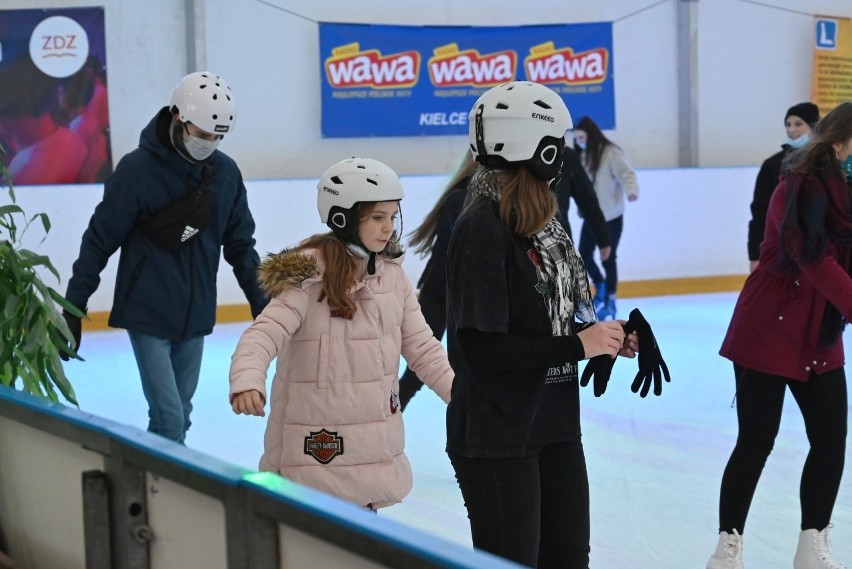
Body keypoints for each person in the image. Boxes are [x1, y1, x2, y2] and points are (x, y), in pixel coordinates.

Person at [445, 80, 641, 569]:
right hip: (497, 434)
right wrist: (578, 346)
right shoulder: (482, 228)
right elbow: (477, 352)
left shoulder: (542, 224)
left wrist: (607, 339)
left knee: (569, 558)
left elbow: (554, 326)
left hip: (552, 422)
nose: (564, 155)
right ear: (536, 148)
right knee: (514, 561)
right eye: (557, 143)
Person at [229, 157, 454, 511]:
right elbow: (263, 334)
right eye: (377, 218)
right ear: (342, 218)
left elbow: (423, 349)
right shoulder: (309, 279)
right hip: (316, 452)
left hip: (372, 450)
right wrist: (247, 380)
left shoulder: (392, 278)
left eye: (392, 218)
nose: (388, 228)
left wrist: (462, 395)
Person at [62, 71, 268, 444]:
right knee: (169, 419)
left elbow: (241, 246)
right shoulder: (138, 170)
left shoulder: (225, 174)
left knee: (180, 419)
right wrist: (73, 308)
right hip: (148, 313)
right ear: (178, 117)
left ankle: (158, 490)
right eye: (203, 133)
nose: (210, 143)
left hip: (196, 315)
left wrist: (262, 304)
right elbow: (98, 241)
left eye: (218, 137)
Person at [707, 102, 852, 569]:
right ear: (839, 143)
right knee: (756, 440)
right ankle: (728, 546)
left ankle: (812, 544)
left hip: (819, 332)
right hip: (768, 327)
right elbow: (811, 259)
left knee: (830, 438)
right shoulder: (796, 187)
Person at [397, 151, 476, 411]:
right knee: (422, 364)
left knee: (462, 365)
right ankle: (389, 412)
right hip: (444, 291)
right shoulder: (462, 199)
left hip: (458, 293)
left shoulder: (474, 198)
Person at [573, 116, 639, 321]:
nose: (579, 142)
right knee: (584, 253)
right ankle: (600, 285)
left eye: (582, 137)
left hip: (611, 217)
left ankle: (611, 299)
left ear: (591, 135)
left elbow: (627, 173)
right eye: (576, 139)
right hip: (591, 216)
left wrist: (631, 191)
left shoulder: (610, 153)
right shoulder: (581, 157)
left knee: (609, 257)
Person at [747, 102, 820, 272]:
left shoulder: (827, 162)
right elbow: (760, 212)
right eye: (788, 124)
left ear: (814, 127)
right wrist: (755, 255)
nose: (791, 130)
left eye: (798, 124)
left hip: (820, 250)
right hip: (783, 252)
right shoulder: (773, 165)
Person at [552, 143, 612, 265]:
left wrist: (603, 237)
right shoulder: (564, 154)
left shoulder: (565, 155)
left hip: (558, 236)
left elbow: (587, 200)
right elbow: (588, 200)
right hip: (554, 236)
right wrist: (603, 238)